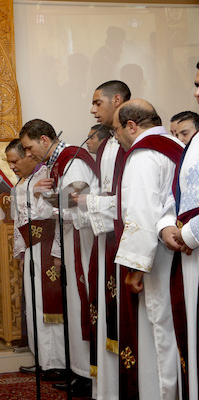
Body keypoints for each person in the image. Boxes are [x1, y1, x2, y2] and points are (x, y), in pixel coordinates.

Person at [20, 119, 99, 397]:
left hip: (83, 239)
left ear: (44, 139)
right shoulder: (59, 163)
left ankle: (88, 374)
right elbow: (63, 204)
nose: (28, 155)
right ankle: (79, 371)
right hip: (70, 238)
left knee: (81, 306)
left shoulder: (72, 160)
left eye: (30, 148)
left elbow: (79, 201)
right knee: (74, 307)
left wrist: (50, 199)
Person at [112, 99, 182, 400]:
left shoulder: (143, 155)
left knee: (160, 327)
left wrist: (135, 268)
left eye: (116, 130)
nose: (116, 137)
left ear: (131, 125)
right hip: (181, 249)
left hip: (159, 257)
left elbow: (141, 212)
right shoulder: (177, 146)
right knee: (178, 327)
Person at [76, 79, 130, 400]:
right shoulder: (110, 143)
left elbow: (123, 199)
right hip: (106, 238)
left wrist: (89, 203)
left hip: (119, 240)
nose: (93, 109)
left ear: (117, 100)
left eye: (98, 103)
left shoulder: (126, 143)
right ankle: (105, 390)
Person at [6, 139, 67, 382]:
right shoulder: (22, 182)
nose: (11, 166)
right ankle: (42, 358)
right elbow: (18, 220)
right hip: (31, 249)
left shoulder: (46, 175)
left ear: (30, 156)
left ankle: (58, 361)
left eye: (15, 160)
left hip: (47, 246)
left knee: (50, 306)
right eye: (8, 162)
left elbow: (55, 210)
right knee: (34, 306)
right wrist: (22, 253)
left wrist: (36, 196)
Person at [157, 62, 199, 400]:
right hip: (190, 252)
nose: (196, 92)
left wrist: (189, 234)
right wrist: (168, 226)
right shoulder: (193, 146)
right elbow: (175, 196)